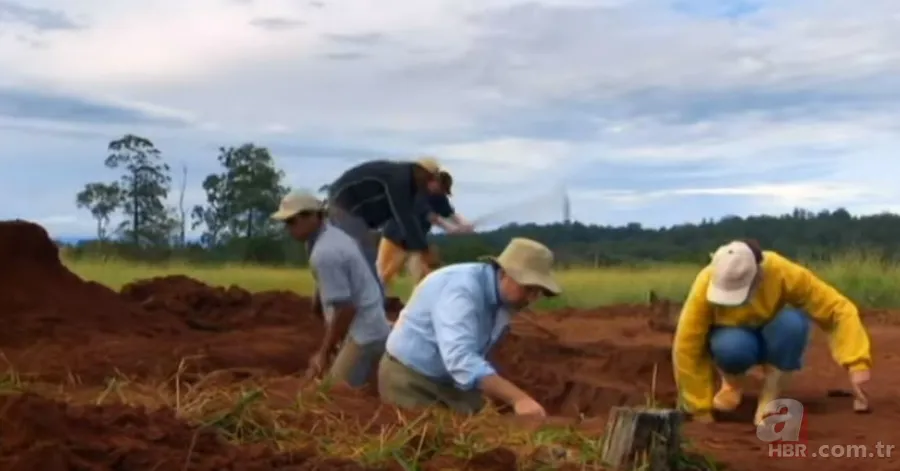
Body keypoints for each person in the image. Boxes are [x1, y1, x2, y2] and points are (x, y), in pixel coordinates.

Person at [673, 239, 872, 426]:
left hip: (775, 330)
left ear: (758, 276)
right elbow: (686, 344)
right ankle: (732, 385)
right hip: (734, 335)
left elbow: (836, 309)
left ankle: (770, 397)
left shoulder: (781, 271)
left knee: (792, 325)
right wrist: (699, 409)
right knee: (730, 348)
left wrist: (857, 363)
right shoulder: (704, 284)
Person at [377, 237, 561, 417]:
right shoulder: (462, 291)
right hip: (411, 381)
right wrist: (519, 399)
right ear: (504, 273)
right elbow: (460, 358)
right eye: (528, 289)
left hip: (451, 382)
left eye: (538, 292)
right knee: (436, 439)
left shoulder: (504, 300)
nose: (530, 299)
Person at [271, 190, 391, 388]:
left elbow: (346, 309)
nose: (288, 229)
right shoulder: (331, 236)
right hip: (369, 324)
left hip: (364, 334)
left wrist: (323, 353)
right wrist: (318, 304)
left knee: (332, 394)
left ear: (312, 216)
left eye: (292, 222)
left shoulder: (325, 252)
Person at [325, 157, 444, 279]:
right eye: (429, 178)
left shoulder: (404, 179)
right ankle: (366, 296)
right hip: (344, 204)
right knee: (365, 256)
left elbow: (407, 217)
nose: (428, 183)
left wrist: (419, 246)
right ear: (420, 171)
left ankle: (332, 291)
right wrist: (423, 249)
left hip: (349, 207)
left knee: (353, 255)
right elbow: (404, 216)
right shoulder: (400, 179)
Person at [377, 170, 474, 289]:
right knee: (385, 273)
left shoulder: (439, 196)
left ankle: (419, 300)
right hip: (394, 237)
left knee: (420, 276)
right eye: (441, 188)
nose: (442, 193)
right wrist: (449, 228)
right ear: (434, 182)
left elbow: (450, 214)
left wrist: (465, 224)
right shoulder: (419, 193)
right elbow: (430, 216)